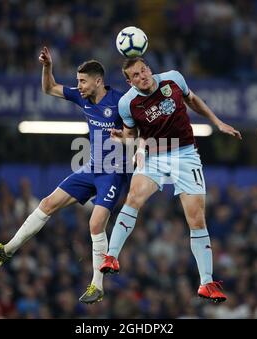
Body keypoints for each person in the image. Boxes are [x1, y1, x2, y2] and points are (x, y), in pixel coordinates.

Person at [0, 47, 129, 304]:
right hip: (92, 168)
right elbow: (49, 89)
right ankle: (7, 251)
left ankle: (97, 285)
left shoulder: (120, 101)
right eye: (78, 81)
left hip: (114, 174)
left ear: (98, 81)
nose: (78, 85)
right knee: (47, 203)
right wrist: (47, 67)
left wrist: (124, 137)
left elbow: (137, 134)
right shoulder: (82, 98)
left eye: (82, 81)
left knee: (95, 224)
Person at [100, 57, 242, 303]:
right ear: (129, 81)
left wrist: (217, 122)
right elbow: (133, 135)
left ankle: (206, 282)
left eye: (143, 70)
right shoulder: (127, 103)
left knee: (196, 219)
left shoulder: (173, 79)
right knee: (133, 198)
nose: (142, 76)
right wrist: (122, 138)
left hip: (185, 154)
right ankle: (111, 256)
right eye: (135, 75)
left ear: (149, 69)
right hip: (153, 154)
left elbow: (193, 100)